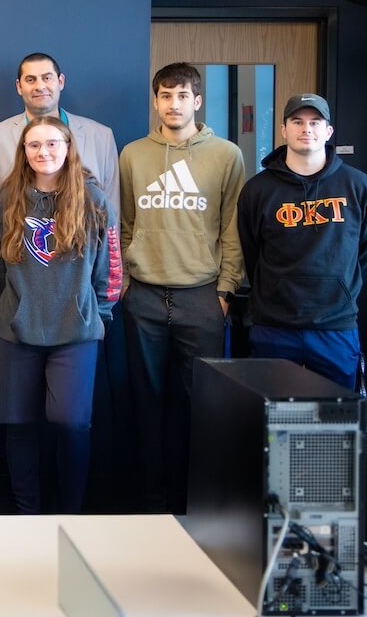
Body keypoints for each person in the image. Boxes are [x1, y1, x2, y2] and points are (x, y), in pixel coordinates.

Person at [118, 61, 244, 514]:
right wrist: (128, 283)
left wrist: (225, 291)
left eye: (182, 96)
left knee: (201, 405)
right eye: (165, 96)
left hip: (202, 296)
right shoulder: (133, 154)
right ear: (155, 101)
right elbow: (126, 220)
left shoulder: (226, 154)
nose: (174, 104)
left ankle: (198, 501)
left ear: (197, 101)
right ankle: (151, 503)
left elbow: (232, 227)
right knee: (145, 403)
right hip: (145, 296)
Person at [0, 116, 121, 513]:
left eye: (51, 144)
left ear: (67, 148)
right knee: (18, 424)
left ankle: (71, 512)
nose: (43, 152)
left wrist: (99, 314)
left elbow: (111, 266)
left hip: (75, 330)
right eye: (34, 146)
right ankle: (26, 512)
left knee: (71, 422)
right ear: (24, 152)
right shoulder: (7, 197)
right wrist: (2, 307)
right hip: (17, 329)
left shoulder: (93, 200)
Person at [238, 94, 367, 391]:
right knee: (269, 421)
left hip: (335, 326)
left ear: (328, 132)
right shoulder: (257, 190)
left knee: (336, 422)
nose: (307, 129)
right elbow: (252, 252)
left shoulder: (358, 186)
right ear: (283, 130)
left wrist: (342, 286)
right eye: (297, 121)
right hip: (274, 326)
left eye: (315, 122)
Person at [0, 52, 119, 334]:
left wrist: (102, 306)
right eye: (30, 79)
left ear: (61, 81)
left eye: (47, 77)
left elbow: (110, 220)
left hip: (80, 302)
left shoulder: (100, 136)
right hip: (19, 301)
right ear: (19, 86)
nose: (39, 85)